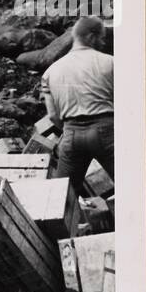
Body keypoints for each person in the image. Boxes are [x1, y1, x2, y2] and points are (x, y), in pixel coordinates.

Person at [42, 15, 114, 195]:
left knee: (62, 197)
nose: (104, 43)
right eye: (102, 38)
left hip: (71, 135)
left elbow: (52, 116)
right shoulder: (110, 62)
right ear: (91, 37)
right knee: (134, 184)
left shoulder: (50, 72)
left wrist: (71, 129)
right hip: (106, 130)